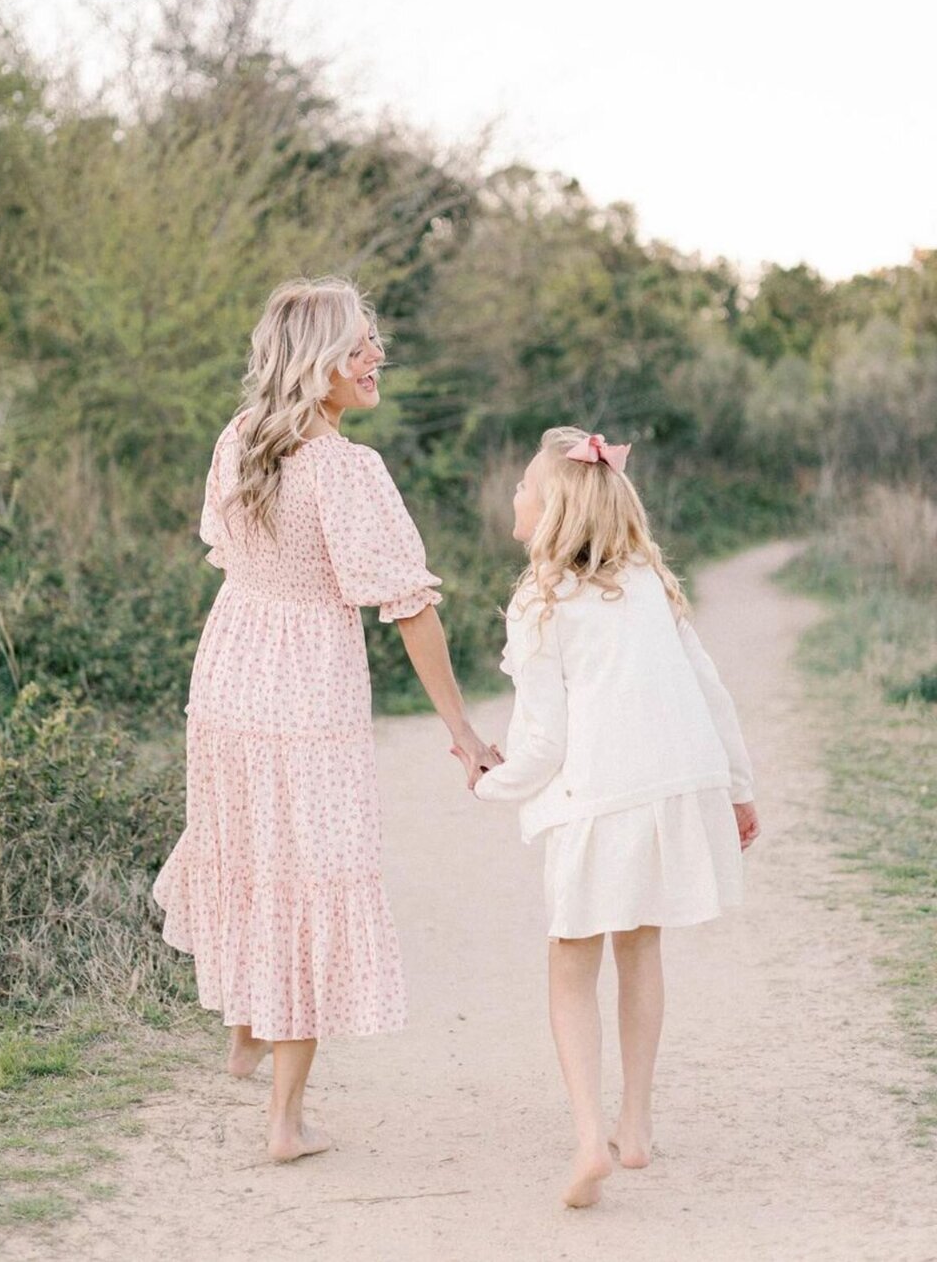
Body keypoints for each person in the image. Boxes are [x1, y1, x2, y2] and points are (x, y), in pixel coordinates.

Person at [153, 276, 497, 1162]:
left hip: (230, 672)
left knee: (248, 853)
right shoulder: (347, 471)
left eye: (373, 341)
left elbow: (227, 553)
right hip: (305, 688)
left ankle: (245, 1030)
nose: (375, 357)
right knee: (308, 879)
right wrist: (460, 728)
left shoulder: (240, 441)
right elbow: (409, 607)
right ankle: (284, 1122)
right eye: (357, 347)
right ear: (316, 365)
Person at [473, 426, 760, 1208]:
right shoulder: (650, 583)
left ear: (554, 508)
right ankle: (635, 1126)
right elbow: (709, 690)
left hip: (596, 803)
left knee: (571, 966)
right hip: (670, 788)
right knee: (640, 947)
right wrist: (737, 786)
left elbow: (544, 739)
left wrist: (491, 784)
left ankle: (586, 1135)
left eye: (524, 489)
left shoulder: (540, 600)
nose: (515, 498)